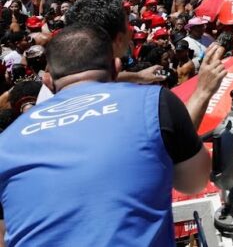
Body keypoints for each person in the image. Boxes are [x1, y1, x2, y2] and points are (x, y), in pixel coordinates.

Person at [0, 24, 211, 246]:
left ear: (47, 80)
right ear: (116, 67)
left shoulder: (6, 142)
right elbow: (194, 183)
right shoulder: (155, 102)